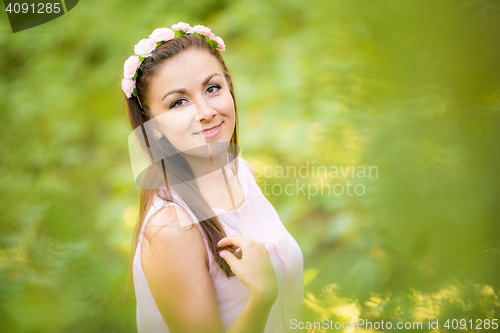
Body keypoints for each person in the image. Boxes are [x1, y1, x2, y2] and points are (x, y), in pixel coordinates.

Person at [121, 22, 304, 333]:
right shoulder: (172, 228)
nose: (205, 111)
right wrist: (262, 295)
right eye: (178, 102)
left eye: (212, 88)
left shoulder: (240, 172)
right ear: (152, 123)